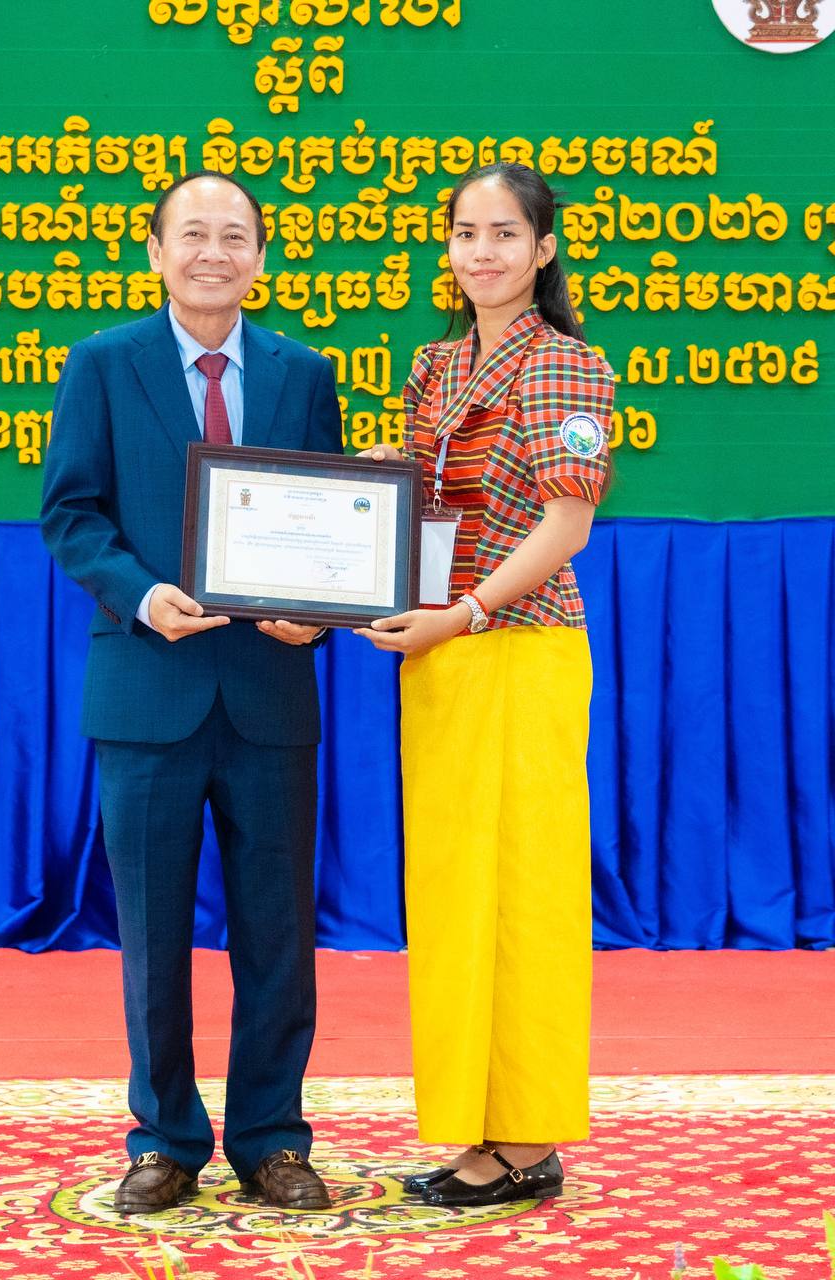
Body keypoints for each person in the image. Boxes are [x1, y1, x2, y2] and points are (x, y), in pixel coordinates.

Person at [41, 171, 342, 1214]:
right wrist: (140, 594)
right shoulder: (102, 363)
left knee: (278, 932)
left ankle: (272, 1136)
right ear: (157, 251)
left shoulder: (305, 373)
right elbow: (71, 514)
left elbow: (330, 521)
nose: (215, 252)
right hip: (146, 690)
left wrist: (320, 613)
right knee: (154, 935)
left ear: (261, 256)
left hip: (269, 695)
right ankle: (163, 1138)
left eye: (235, 236)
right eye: (194, 234)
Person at [354, 162, 614, 1207]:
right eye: (466, 232)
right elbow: (422, 497)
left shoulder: (566, 366)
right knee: (459, 894)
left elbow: (566, 525)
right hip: (443, 656)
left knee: (527, 894)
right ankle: (479, 1124)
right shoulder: (434, 364)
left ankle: (528, 1138)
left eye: (506, 233)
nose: (483, 252)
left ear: (543, 250)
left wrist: (465, 612)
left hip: (518, 648)